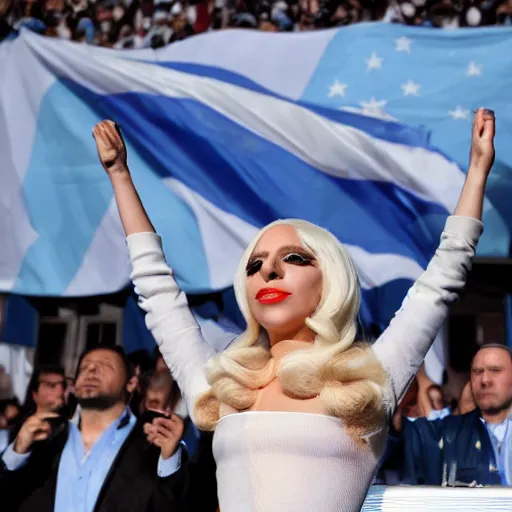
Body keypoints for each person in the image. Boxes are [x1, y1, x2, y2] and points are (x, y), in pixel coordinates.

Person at [91, 107, 495, 512]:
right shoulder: (225, 383)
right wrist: (121, 175)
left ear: (330, 279)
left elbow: (440, 281)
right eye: (255, 265)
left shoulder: (370, 380)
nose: (268, 270)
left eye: (294, 259)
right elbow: (157, 291)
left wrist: (477, 170)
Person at [0, 346, 187, 512]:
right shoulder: (45, 439)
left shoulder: (154, 444)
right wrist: (17, 452)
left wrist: (169, 459)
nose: (92, 369)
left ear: (131, 383)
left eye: (105, 365)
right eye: (84, 367)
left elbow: (175, 503)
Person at [398, 343, 512, 486]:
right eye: (477, 371)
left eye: (495, 370)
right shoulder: (446, 433)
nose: (485, 380)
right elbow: (398, 438)